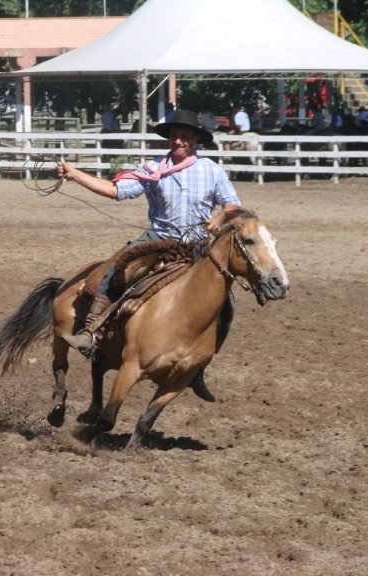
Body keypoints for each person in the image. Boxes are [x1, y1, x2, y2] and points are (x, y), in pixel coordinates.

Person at [56, 109, 241, 401]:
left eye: (185, 137)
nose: (179, 141)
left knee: (227, 302)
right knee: (115, 271)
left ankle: (198, 368)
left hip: (197, 245)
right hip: (158, 239)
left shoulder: (212, 170)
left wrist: (219, 219)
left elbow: (232, 206)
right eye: (175, 136)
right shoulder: (153, 169)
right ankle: (90, 332)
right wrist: (75, 173)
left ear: (195, 141)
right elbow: (114, 190)